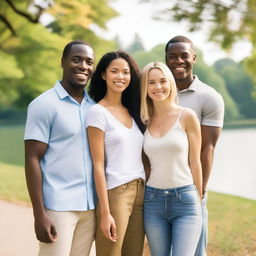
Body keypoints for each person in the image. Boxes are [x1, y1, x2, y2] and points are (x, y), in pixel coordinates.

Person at [24, 40, 96, 256]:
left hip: (90, 210)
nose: (83, 66)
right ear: (63, 62)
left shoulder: (95, 107)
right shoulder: (43, 105)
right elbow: (32, 159)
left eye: (89, 62)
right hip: (58, 208)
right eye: (76, 59)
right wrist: (39, 214)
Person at [165, 35, 225, 256]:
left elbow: (207, 149)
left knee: (195, 251)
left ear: (194, 58)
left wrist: (200, 192)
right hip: (158, 188)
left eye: (184, 56)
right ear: (166, 59)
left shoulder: (209, 97)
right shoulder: (156, 93)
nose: (178, 61)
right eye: (172, 57)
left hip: (191, 186)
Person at [86, 50, 145, 256]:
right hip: (116, 193)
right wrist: (105, 212)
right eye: (114, 71)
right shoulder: (97, 112)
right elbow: (98, 165)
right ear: (103, 74)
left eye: (126, 72)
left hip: (141, 193)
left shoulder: (133, 110)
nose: (120, 76)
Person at [141, 61, 202, 256]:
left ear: (170, 84)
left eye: (162, 81)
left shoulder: (187, 116)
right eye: (151, 82)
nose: (158, 87)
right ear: (145, 87)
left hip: (185, 200)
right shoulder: (144, 120)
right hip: (153, 202)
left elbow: (195, 161)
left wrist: (198, 197)